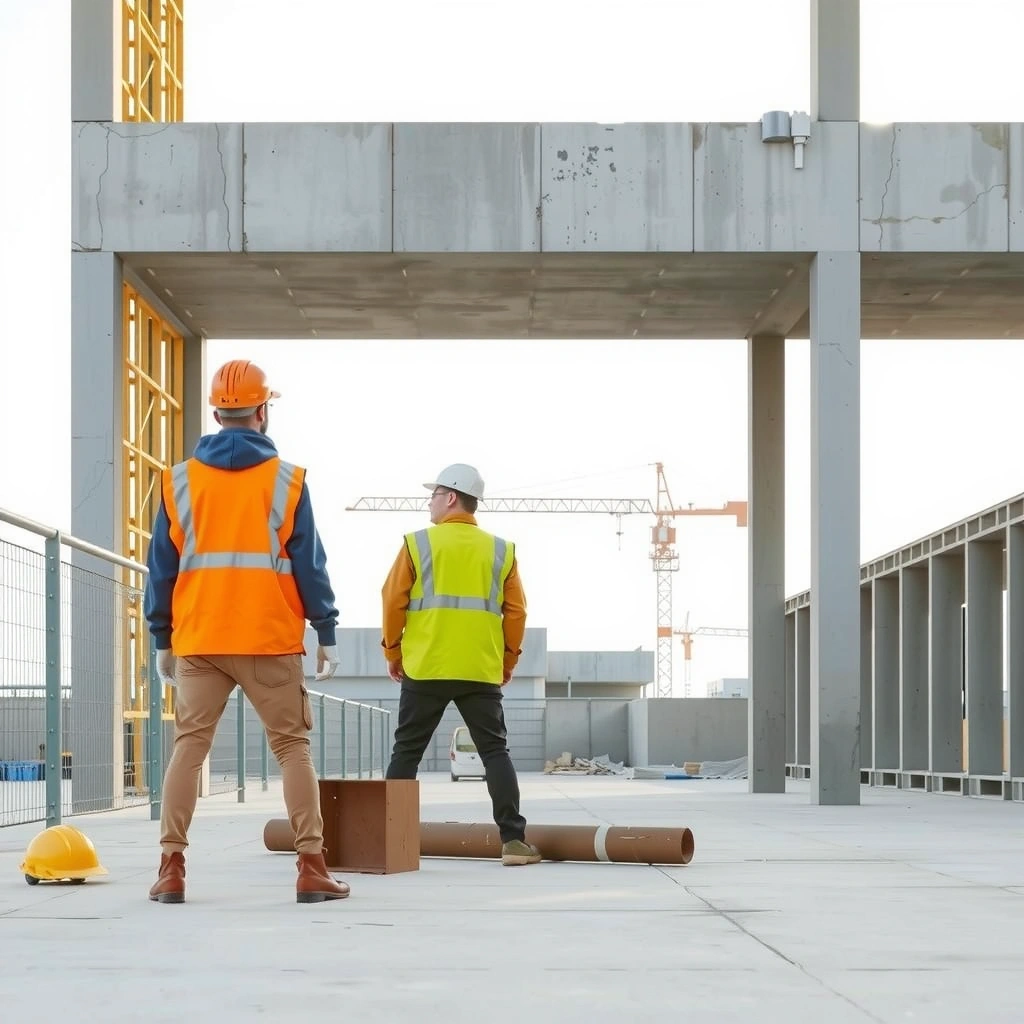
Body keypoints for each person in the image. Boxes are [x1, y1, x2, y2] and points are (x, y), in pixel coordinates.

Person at [144, 358, 349, 904]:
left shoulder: (177, 481)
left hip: (200, 640)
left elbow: (161, 567)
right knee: (292, 749)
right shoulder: (288, 481)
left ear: (216, 411)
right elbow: (310, 562)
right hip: (268, 639)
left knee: (189, 748)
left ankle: (170, 868)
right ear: (263, 411)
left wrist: (161, 636)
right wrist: (325, 628)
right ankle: (311, 867)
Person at [380, 463, 542, 866]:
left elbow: (392, 599)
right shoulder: (501, 550)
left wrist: (392, 652)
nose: (429, 503)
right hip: (479, 669)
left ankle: (390, 840)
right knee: (495, 753)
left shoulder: (417, 544)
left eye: (432, 495)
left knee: (407, 752)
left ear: (451, 496)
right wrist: (507, 660)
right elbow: (517, 612)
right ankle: (514, 842)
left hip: (426, 665)